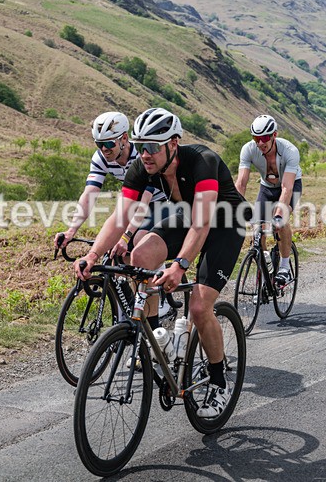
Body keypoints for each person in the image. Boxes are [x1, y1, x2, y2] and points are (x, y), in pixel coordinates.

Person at [75, 107, 248, 418]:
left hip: (226, 225)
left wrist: (180, 265)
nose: (145, 154)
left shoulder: (203, 162)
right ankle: (155, 338)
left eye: (153, 147)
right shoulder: (143, 168)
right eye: (141, 146)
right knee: (139, 255)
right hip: (187, 218)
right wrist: (92, 255)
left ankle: (220, 381)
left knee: (198, 307)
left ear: (174, 143)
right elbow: (120, 217)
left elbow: (203, 223)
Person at [53, 111, 166, 255]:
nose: (104, 149)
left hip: (160, 201)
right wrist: (71, 231)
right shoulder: (100, 158)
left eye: (109, 143)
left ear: (124, 138)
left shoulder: (142, 156)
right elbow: (89, 194)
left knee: (139, 241)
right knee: (115, 255)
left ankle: (159, 275)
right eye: (99, 143)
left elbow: (144, 201)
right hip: (134, 203)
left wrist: (125, 237)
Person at [234, 114, 302, 284]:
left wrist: (278, 215)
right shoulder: (248, 149)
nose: (260, 143)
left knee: (282, 221)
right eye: (256, 138)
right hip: (266, 188)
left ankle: (285, 267)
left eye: (264, 138)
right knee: (257, 230)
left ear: (274, 135)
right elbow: (241, 183)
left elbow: (287, 188)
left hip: (290, 186)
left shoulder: (290, 151)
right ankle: (266, 266)